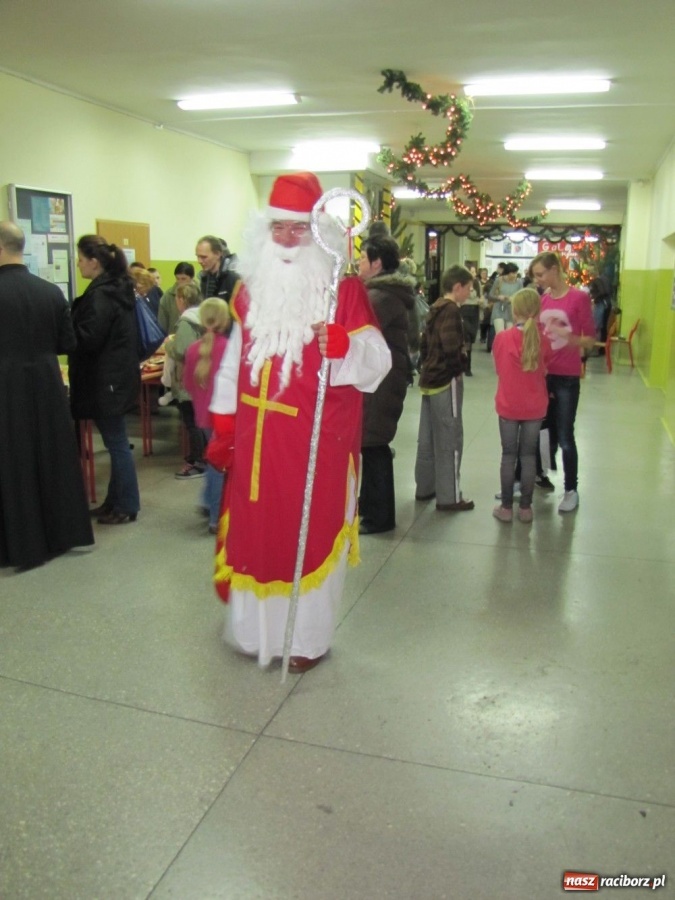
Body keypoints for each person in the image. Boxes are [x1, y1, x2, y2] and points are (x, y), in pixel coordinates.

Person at [208, 171, 391, 673]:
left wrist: (345, 345)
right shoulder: (248, 292)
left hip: (317, 445)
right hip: (257, 442)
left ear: (319, 234)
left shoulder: (344, 290)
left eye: (298, 229)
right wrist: (224, 425)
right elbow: (231, 362)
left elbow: (379, 361)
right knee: (256, 533)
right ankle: (252, 635)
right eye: (278, 229)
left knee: (307, 533)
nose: (287, 240)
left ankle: (306, 641)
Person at [0, 221, 94, 569]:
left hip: (6, 386)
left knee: (13, 461)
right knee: (51, 457)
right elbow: (66, 344)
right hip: (46, 382)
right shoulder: (50, 292)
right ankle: (62, 532)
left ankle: (20, 544)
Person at [69, 235, 141, 525]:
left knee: (116, 443)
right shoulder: (115, 289)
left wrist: (65, 333)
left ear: (94, 262)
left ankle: (126, 504)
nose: (78, 264)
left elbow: (90, 338)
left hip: (106, 379)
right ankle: (115, 502)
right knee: (116, 442)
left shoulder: (101, 295)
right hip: (116, 377)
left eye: (81, 259)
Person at [356, 235, 415, 534]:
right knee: (370, 443)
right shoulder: (378, 293)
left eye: (363, 258)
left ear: (377, 263)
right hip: (378, 379)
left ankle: (379, 518)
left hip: (382, 382)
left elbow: (356, 329)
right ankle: (369, 507)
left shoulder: (382, 297)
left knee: (375, 444)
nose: (358, 262)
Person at [531, 251, 596, 513]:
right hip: (544, 373)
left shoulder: (578, 298)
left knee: (566, 433)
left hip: (567, 377)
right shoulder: (543, 299)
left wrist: (568, 337)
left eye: (540, 274)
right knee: (544, 431)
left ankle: (571, 489)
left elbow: (590, 340)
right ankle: (541, 475)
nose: (538, 280)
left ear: (555, 269)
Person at [414, 265, 474, 512]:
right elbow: (451, 348)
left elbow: (424, 346)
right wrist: (459, 368)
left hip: (429, 380)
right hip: (445, 381)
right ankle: (449, 496)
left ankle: (425, 487)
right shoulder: (451, 312)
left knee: (427, 439)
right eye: (468, 289)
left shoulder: (434, 308)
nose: (470, 293)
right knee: (450, 438)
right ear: (457, 287)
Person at [492, 288, 552, 524]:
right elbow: (545, 368)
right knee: (528, 456)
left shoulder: (502, 338)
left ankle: (506, 508)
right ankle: (526, 509)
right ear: (538, 311)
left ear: (514, 310)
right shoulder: (543, 340)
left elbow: (499, 369)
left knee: (508, 455)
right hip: (535, 407)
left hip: (508, 405)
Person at [182, 298, 231, 533]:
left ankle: (205, 501)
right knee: (219, 466)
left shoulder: (193, 350)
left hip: (202, 416)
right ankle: (215, 518)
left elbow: (187, 384)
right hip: (224, 417)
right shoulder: (230, 349)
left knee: (213, 460)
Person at [165, 282, 209, 479]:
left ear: (182, 300)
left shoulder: (185, 322)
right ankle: (200, 456)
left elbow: (183, 351)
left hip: (187, 379)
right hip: (202, 376)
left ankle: (199, 461)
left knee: (192, 422)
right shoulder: (203, 317)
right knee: (199, 420)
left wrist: (169, 345)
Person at [195, 236, 239, 302]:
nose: (199, 261)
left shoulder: (232, 278)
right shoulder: (204, 279)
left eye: (203, 257)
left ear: (218, 254)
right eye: (198, 256)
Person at [157, 262, 196, 336]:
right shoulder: (168, 296)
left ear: (192, 278)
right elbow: (161, 324)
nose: (180, 282)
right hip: (174, 338)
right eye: (177, 279)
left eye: (183, 279)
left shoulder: (200, 293)